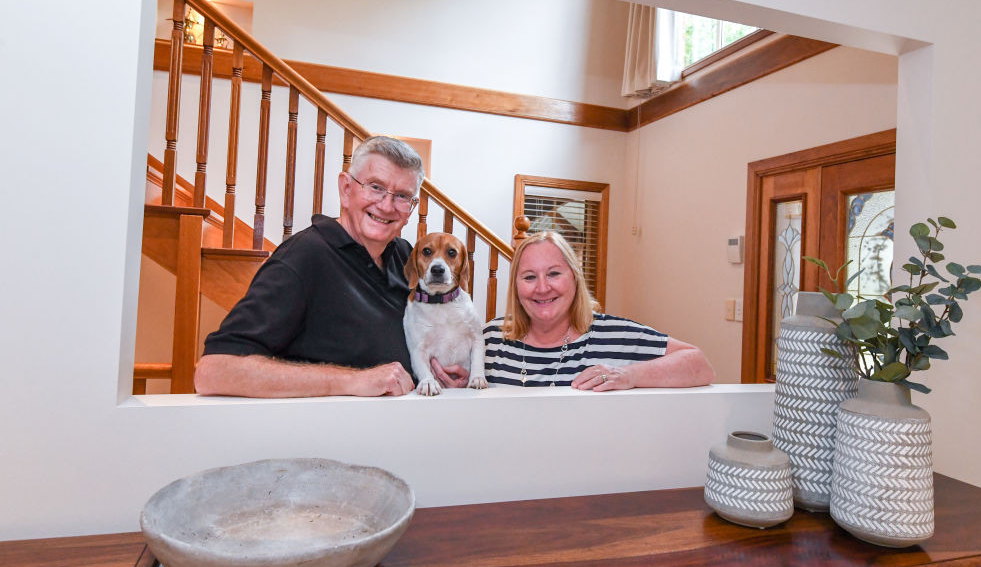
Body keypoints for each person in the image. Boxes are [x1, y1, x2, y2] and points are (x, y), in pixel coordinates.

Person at [194, 136, 469, 397]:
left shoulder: (406, 256)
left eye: (402, 196)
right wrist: (354, 380)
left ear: (411, 208)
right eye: (375, 187)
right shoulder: (304, 257)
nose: (386, 205)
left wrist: (438, 371)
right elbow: (214, 371)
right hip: (325, 438)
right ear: (346, 189)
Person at [484, 231, 715, 389]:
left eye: (554, 273)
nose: (543, 287)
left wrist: (629, 375)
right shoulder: (490, 338)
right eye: (529, 277)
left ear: (575, 278)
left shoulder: (615, 334)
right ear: (515, 285)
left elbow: (700, 365)